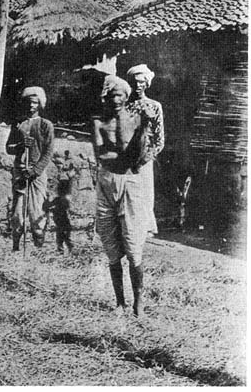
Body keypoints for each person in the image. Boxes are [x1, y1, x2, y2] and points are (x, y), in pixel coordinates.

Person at [93, 75, 150, 317]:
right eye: (111, 96)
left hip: (131, 184)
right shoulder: (98, 122)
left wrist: (132, 155)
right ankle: (120, 302)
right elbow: (101, 155)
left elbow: (145, 154)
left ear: (127, 98)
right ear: (106, 98)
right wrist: (128, 157)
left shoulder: (137, 121)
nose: (115, 100)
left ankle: (138, 302)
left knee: (133, 244)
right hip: (106, 182)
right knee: (111, 244)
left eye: (120, 95)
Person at [6, 86, 54, 250]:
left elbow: (48, 153)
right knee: (17, 215)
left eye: (34, 103)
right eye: (28, 103)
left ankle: (38, 249)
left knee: (36, 214)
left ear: (40, 104)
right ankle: (16, 248)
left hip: (36, 175)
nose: (31, 106)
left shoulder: (46, 125)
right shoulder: (18, 124)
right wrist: (20, 145)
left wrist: (34, 171)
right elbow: (8, 148)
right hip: (20, 172)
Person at [126, 64, 164, 237]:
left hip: (144, 158)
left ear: (147, 84)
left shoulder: (154, 106)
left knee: (144, 192)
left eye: (142, 82)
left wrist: (145, 157)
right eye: (135, 82)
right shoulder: (124, 106)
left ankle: (145, 228)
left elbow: (159, 139)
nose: (138, 85)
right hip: (125, 156)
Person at [45, 178, 73, 253]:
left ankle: (67, 249)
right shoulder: (62, 199)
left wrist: (51, 207)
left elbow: (49, 206)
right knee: (64, 236)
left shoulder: (62, 200)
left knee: (63, 236)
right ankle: (66, 249)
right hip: (62, 222)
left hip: (62, 221)